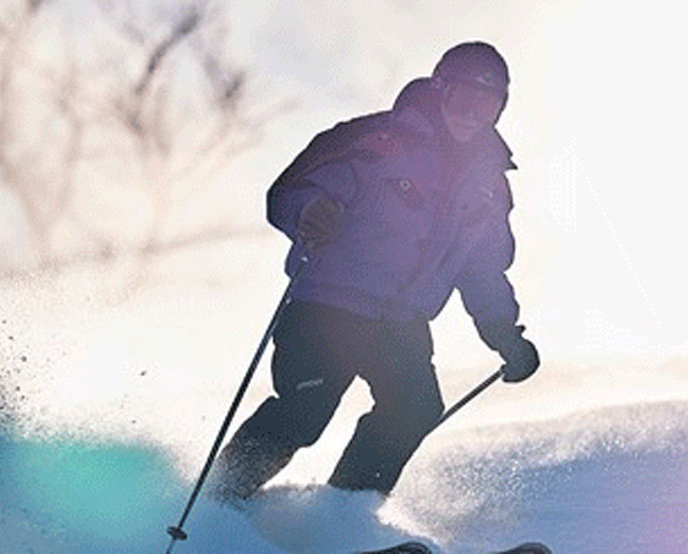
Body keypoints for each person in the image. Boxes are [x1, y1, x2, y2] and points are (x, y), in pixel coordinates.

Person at [210, 41, 539, 501]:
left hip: (401, 322)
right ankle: (219, 500)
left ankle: (339, 518)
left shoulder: (488, 185)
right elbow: (289, 192)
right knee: (306, 411)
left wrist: (504, 333)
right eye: (465, 99)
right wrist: (312, 211)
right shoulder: (376, 141)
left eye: (490, 105)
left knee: (415, 409)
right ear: (439, 89)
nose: (474, 115)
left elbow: (483, 269)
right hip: (326, 309)